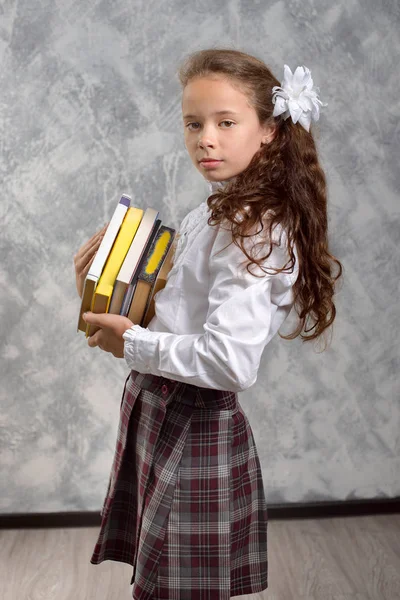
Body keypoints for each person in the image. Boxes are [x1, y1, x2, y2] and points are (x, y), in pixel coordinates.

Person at [74, 48, 343, 600]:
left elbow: (229, 362)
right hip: (162, 408)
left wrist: (134, 344)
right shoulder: (218, 209)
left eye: (226, 122)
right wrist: (107, 288)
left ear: (269, 130)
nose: (206, 139)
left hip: (195, 425)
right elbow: (177, 318)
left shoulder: (257, 229)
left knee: (182, 589)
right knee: (167, 583)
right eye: (194, 123)